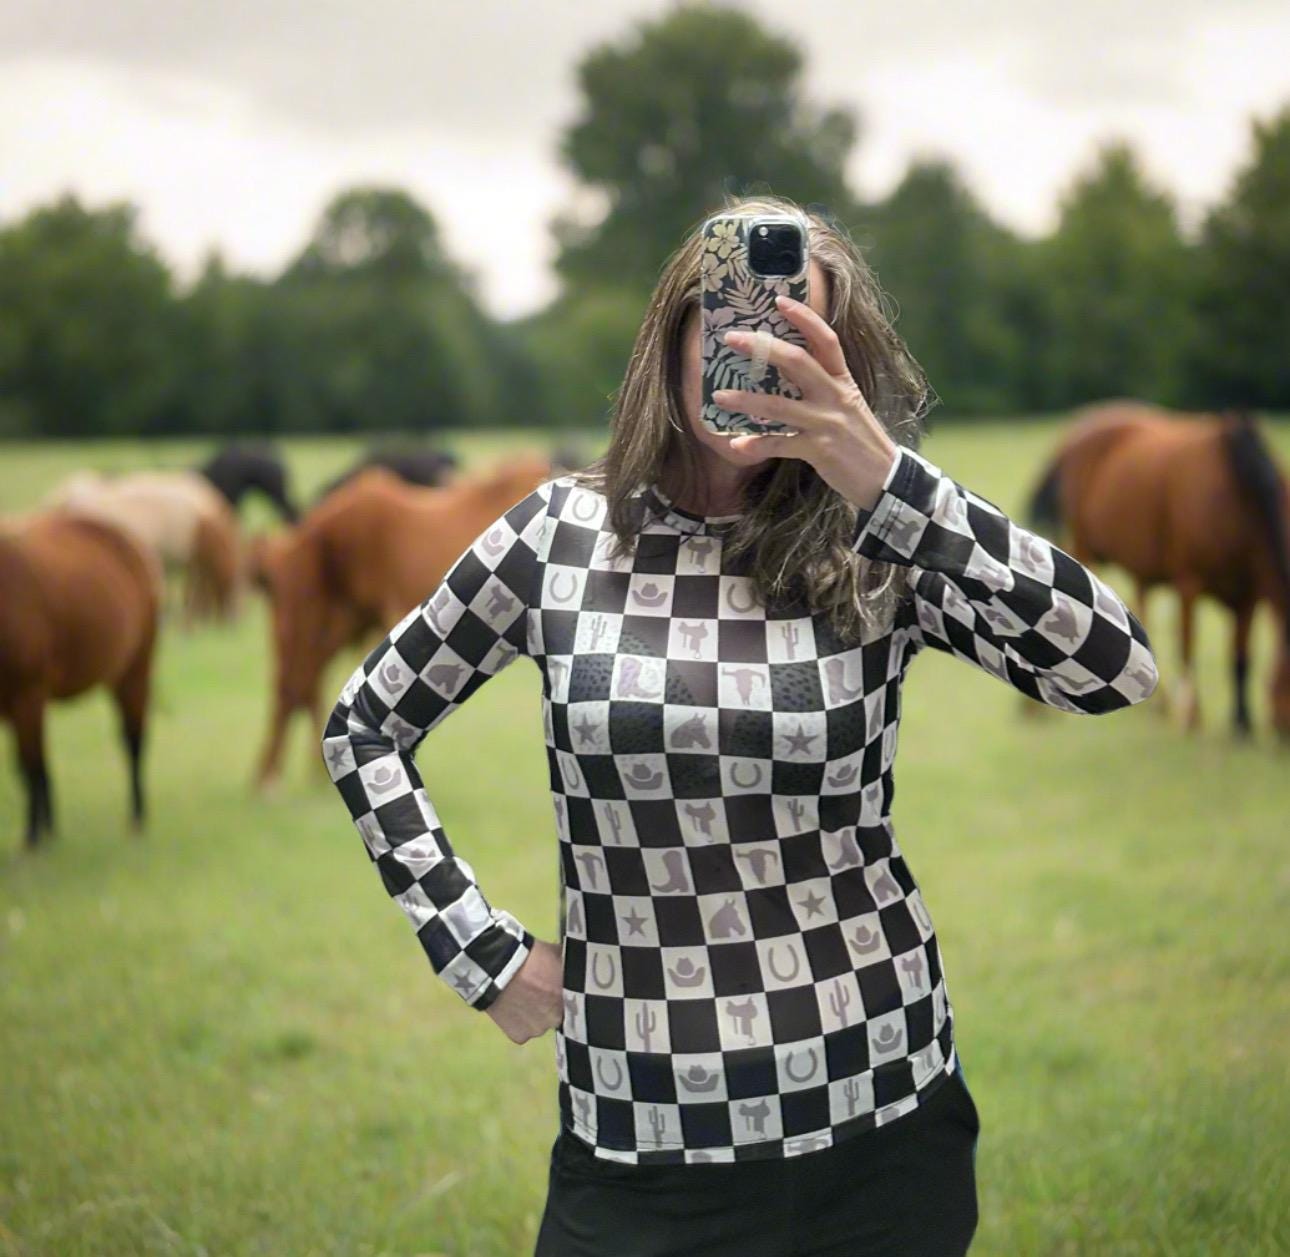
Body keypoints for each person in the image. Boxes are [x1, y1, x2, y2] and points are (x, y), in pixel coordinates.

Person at [321, 194, 1160, 1257]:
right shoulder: (557, 539)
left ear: (840, 362)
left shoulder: (882, 538)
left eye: (789, 333)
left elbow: (1115, 669)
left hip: (881, 1121)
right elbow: (365, 726)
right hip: (638, 1139)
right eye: (726, 321)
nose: (749, 353)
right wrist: (479, 954)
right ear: (670, 337)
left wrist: (888, 480)